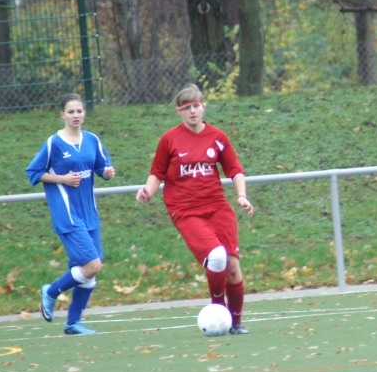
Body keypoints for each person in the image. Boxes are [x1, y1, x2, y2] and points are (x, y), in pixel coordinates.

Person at [136, 83, 254, 335]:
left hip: (218, 207)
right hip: (186, 211)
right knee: (217, 256)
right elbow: (156, 173)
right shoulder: (170, 139)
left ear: (203, 107)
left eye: (196, 106)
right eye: (187, 108)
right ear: (179, 111)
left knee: (232, 265)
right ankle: (217, 309)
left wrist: (242, 195)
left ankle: (236, 321)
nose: (192, 112)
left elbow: (234, 169)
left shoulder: (217, 137)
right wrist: (148, 190)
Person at [26, 93, 116, 335]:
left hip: (89, 213)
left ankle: (73, 323)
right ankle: (51, 291)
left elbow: (101, 167)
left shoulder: (92, 140)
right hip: (68, 214)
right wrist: (62, 179)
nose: (76, 115)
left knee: (89, 273)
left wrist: (107, 172)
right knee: (92, 265)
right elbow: (33, 173)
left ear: (84, 113)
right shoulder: (53, 143)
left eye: (79, 111)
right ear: (62, 114)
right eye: (71, 112)